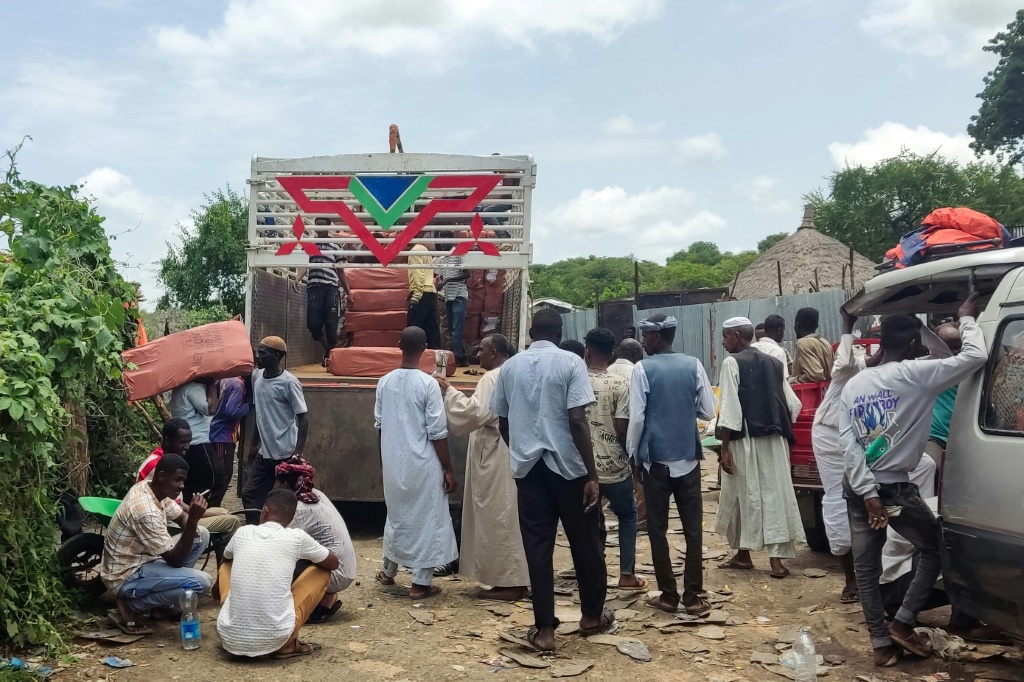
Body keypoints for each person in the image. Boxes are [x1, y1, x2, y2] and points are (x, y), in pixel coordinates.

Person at [840, 296, 987, 667]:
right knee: (935, 548)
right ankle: (903, 623)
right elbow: (975, 358)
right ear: (910, 345)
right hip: (892, 488)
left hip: (857, 485)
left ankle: (881, 645)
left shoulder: (856, 385)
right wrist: (966, 319)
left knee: (866, 568)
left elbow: (849, 444)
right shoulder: (917, 375)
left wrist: (866, 492)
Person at [490, 308, 612, 652]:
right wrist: (592, 475)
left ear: (531, 332)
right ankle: (591, 616)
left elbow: (503, 421)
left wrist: (522, 452)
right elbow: (577, 420)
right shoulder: (571, 363)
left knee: (537, 549)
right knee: (586, 544)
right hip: (570, 470)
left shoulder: (510, 367)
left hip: (530, 472)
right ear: (559, 332)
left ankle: (545, 630)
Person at [625, 314, 716, 615]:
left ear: (659, 337)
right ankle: (693, 597)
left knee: (657, 529)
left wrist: (632, 454)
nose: (644, 341)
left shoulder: (643, 369)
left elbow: (637, 417)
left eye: (647, 336)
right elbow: (707, 411)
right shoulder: (694, 365)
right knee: (693, 530)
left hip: (656, 463)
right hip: (688, 459)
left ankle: (668, 595)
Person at [438, 333, 529, 601]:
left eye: (482, 350)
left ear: (495, 352)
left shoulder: (492, 378)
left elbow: (477, 413)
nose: (477, 355)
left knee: (497, 516)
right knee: (510, 515)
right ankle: (512, 578)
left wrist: (449, 391)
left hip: (496, 454)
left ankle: (510, 583)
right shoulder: (516, 372)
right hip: (513, 450)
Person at [715, 317, 805, 579]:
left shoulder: (732, 363)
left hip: (745, 441)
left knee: (745, 494)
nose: (723, 342)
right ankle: (764, 559)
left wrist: (724, 448)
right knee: (774, 495)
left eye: (725, 336)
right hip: (775, 441)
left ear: (735, 335)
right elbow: (793, 405)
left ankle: (749, 555)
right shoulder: (776, 364)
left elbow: (730, 409)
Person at [373, 326, 459, 598]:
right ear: (425, 350)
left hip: (394, 465)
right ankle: (420, 583)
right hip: (423, 465)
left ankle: (388, 571)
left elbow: (380, 426)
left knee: (397, 517)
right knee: (428, 520)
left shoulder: (384, 382)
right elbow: (437, 431)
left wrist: (384, 463)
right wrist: (447, 468)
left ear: (399, 345)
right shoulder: (428, 384)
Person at [216, 489, 340, 659]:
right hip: (277, 637)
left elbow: (225, 558)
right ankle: (288, 644)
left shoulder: (242, 533)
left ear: (265, 510)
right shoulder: (297, 537)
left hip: (229, 639)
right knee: (322, 571)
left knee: (227, 564)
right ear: (292, 517)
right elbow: (333, 563)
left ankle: (230, 609)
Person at [101, 453, 212, 635]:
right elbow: (175, 560)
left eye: (183, 480)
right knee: (201, 582)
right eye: (178, 480)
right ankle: (133, 605)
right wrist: (193, 519)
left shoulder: (152, 489)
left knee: (203, 535)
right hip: (126, 575)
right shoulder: (146, 510)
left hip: (144, 560)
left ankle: (162, 605)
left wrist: (190, 519)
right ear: (161, 475)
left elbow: (181, 516)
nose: (182, 486)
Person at [811, 310, 879, 604]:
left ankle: (870, 576)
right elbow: (845, 362)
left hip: (862, 437)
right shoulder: (847, 370)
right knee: (839, 501)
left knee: (871, 498)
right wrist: (848, 325)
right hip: (829, 435)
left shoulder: (883, 370)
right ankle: (851, 579)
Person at [583, 328, 645, 590]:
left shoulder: (575, 382)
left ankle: (591, 573)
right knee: (627, 516)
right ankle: (626, 574)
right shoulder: (621, 385)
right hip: (615, 466)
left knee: (588, 521)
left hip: (583, 468)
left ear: (587, 351)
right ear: (611, 355)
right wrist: (631, 461)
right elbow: (622, 428)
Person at [274, 456, 357, 623]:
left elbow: (278, 544)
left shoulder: (300, 509)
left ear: (285, 485)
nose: (275, 486)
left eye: (277, 482)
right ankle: (326, 597)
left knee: (277, 562)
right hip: (345, 569)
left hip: (335, 573)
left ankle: (320, 598)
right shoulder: (316, 494)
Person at [241, 336, 308, 525]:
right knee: (250, 494)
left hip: (285, 454)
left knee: (286, 501)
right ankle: (256, 533)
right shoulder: (257, 377)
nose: (257, 356)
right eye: (257, 352)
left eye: (262, 353)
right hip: (265, 454)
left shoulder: (289, 382)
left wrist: (297, 453)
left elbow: (303, 418)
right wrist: (254, 445)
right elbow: (261, 415)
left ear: (276, 355)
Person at [137, 419, 242, 536]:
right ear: (167, 441)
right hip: (167, 522)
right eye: (182, 442)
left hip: (175, 513)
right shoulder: (159, 466)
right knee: (232, 521)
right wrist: (195, 516)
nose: (187, 447)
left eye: (189, 442)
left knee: (223, 512)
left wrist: (198, 511)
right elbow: (172, 511)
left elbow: (176, 503)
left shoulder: (168, 460)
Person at [292, 217, 353, 367]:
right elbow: (304, 266)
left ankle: (331, 358)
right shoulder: (309, 244)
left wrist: (348, 292)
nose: (319, 229)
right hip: (314, 288)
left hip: (331, 288)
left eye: (322, 226)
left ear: (328, 227)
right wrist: (297, 279)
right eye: (317, 226)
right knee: (312, 324)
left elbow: (341, 271)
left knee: (331, 325)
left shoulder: (335, 245)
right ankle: (327, 349)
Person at [608, 337, 646, 528]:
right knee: (638, 472)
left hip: (606, 432)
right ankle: (641, 518)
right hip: (630, 429)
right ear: (636, 354)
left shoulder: (606, 370)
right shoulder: (637, 372)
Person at [167, 378, 219, 503]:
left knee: (189, 484)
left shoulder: (175, 387)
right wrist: (211, 383)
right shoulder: (191, 387)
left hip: (183, 443)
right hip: (198, 441)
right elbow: (210, 409)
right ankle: (205, 515)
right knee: (210, 482)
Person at [209, 376, 249, 506]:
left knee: (223, 473)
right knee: (223, 474)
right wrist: (248, 406)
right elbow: (231, 410)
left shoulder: (225, 379)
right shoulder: (238, 384)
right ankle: (212, 506)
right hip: (222, 435)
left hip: (220, 433)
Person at [925, 324, 963, 463]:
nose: (956, 351)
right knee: (931, 466)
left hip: (968, 437)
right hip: (937, 438)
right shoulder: (930, 367)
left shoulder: (974, 364)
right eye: (949, 347)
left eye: (959, 345)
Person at [439, 251, 470, 366]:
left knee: (457, 329)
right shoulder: (443, 259)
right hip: (448, 296)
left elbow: (467, 274)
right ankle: (463, 357)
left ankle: (454, 358)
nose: (442, 246)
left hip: (459, 295)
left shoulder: (459, 256)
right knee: (452, 330)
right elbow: (442, 277)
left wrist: (447, 280)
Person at [407, 244, 441, 349]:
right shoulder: (423, 249)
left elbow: (419, 275)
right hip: (430, 292)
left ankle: (412, 360)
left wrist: (416, 296)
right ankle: (436, 360)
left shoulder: (414, 252)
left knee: (413, 331)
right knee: (432, 331)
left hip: (421, 294)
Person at [791, 307, 835, 383]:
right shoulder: (825, 342)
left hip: (808, 393)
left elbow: (815, 375)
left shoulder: (803, 343)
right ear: (817, 326)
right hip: (826, 393)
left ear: (797, 325)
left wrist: (792, 380)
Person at [753, 314, 790, 380]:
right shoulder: (778, 352)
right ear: (779, 330)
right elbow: (782, 380)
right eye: (783, 330)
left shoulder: (750, 348)